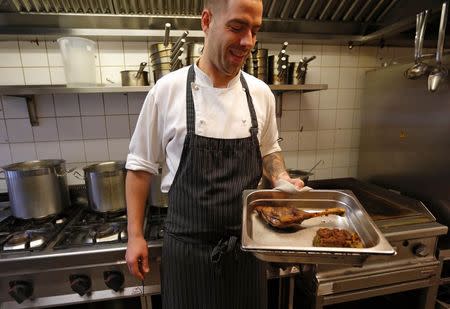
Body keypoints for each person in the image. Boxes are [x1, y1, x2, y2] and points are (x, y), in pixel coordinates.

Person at [125, 0, 304, 307]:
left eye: (255, 30)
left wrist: (282, 179)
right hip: (187, 254)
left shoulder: (260, 93)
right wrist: (135, 236)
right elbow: (140, 168)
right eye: (236, 27)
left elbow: (269, 150)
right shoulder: (167, 91)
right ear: (206, 21)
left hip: (247, 251)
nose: (247, 41)